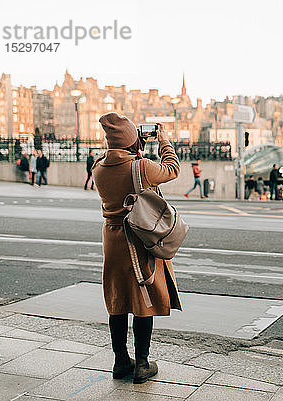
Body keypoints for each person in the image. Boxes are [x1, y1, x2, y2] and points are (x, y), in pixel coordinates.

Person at [92, 113, 182, 384]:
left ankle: (121, 361)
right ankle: (142, 363)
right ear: (133, 141)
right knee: (144, 296)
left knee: (117, 298)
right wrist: (164, 141)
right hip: (137, 239)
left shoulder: (98, 168)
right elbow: (172, 169)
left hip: (112, 238)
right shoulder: (142, 166)